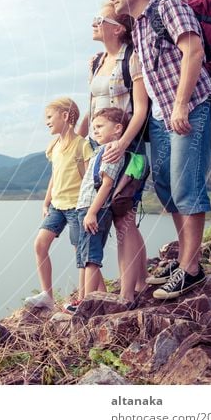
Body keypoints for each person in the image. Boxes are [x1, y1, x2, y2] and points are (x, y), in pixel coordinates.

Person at [110, 0, 211, 300]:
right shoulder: (139, 28)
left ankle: (191, 270)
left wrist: (181, 104)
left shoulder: (167, 8)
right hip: (161, 118)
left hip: (191, 107)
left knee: (186, 185)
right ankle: (187, 259)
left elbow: (194, 51)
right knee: (166, 187)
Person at [76, 2, 149, 304]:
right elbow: (93, 103)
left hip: (126, 145)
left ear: (117, 28)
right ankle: (137, 282)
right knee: (105, 215)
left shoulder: (132, 59)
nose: (94, 23)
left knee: (124, 216)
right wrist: (80, 136)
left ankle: (127, 294)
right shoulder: (95, 61)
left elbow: (141, 108)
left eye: (100, 19)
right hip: (98, 146)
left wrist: (122, 142)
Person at [24, 97, 95, 310]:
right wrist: (46, 202)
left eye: (49, 116)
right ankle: (47, 295)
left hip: (76, 207)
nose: (46, 121)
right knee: (40, 244)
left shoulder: (82, 145)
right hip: (57, 206)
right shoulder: (54, 145)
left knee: (81, 254)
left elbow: (90, 177)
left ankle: (86, 299)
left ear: (65, 116)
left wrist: (90, 207)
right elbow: (55, 176)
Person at [67, 108, 130, 313]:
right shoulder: (99, 150)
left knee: (91, 257)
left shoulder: (112, 150)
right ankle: (83, 300)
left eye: (100, 126)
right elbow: (81, 134)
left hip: (95, 208)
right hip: (86, 208)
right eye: (94, 127)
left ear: (118, 129)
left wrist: (92, 212)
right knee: (85, 257)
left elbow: (106, 184)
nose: (95, 131)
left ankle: (85, 303)